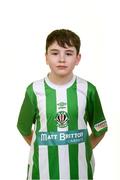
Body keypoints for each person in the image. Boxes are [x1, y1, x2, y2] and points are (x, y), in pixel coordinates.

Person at [17, 29, 108, 180]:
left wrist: (81, 148)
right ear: (46, 57)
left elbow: (100, 128)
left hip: (80, 174)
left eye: (68, 53)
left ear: (78, 58)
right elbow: (23, 128)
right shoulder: (34, 90)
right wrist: (44, 146)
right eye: (54, 53)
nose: (61, 59)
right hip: (42, 174)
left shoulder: (88, 90)